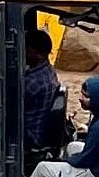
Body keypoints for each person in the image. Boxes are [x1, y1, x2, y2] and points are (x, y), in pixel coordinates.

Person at [20, 28, 69, 162]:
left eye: (28, 51)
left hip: (28, 137)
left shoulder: (35, 81)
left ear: (39, 54)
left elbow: (6, 106)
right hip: (38, 132)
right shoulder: (48, 70)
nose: (23, 53)